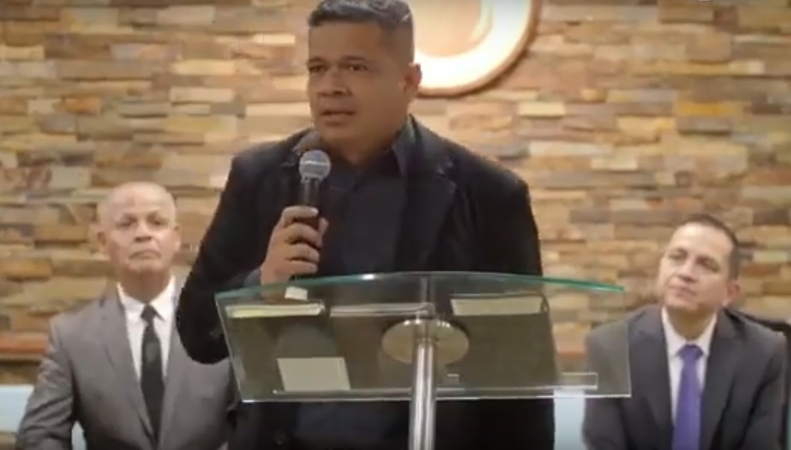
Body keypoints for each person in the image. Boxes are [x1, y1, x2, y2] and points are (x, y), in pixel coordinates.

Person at [175, 0, 554, 449]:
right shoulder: (259, 178)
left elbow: (522, 381)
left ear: (409, 81)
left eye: (355, 67)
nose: (330, 87)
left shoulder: (487, 194)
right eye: (317, 68)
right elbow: (197, 335)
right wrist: (261, 285)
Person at [17, 182, 236, 450]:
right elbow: (39, 435)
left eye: (156, 222)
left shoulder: (220, 321)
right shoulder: (71, 336)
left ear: (175, 237)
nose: (143, 234)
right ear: (103, 242)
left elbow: (255, 425)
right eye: (126, 224)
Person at [583, 213, 787, 450]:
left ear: (729, 293)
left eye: (706, 265)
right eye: (677, 257)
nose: (686, 273)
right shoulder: (610, 347)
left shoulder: (764, 352)